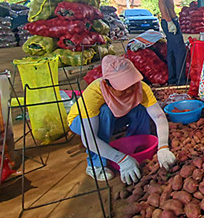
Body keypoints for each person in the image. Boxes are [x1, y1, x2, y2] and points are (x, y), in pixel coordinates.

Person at [68, 55, 176, 183]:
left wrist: (163, 146)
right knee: (105, 112)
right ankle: (95, 164)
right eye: (123, 88)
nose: (129, 90)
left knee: (140, 108)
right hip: (81, 122)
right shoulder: (94, 94)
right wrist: (121, 159)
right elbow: (89, 138)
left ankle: (136, 146)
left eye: (132, 84)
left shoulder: (140, 87)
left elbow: (158, 116)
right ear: (108, 85)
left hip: (117, 118)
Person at [157, 0, 186, 85]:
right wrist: (169, 21)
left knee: (172, 51)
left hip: (171, 20)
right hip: (168, 21)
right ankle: (180, 80)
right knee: (180, 50)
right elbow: (161, 4)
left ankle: (173, 79)